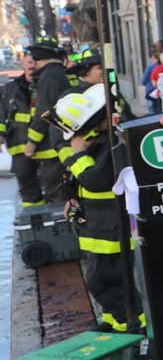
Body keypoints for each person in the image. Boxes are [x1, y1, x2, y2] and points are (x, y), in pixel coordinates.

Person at [54, 84, 142, 332]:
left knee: (106, 280)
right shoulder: (103, 138)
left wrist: (76, 155)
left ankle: (131, 329)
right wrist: (71, 196)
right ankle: (114, 321)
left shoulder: (116, 141)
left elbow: (95, 179)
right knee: (103, 280)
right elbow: (81, 179)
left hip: (111, 226)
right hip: (98, 222)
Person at [25, 36, 71, 202]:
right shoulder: (55, 73)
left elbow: (44, 113)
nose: (32, 66)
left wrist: (31, 142)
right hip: (56, 142)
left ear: (40, 61)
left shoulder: (49, 76)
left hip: (51, 146)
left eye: (34, 62)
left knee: (55, 190)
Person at [1, 52, 42, 206]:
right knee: (27, 187)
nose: (32, 66)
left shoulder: (45, 86)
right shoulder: (9, 89)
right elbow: (1, 113)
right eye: (29, 62)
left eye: (35, 62)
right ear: (23, 63)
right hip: (19, 146)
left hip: (45, 146)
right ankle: (34, 220)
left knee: (52, 186)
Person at [141, 41, 163, 114]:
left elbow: (143, 81)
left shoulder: (151, 67)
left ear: (155, 58)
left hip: (152, 93)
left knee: (152, 114)